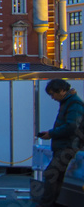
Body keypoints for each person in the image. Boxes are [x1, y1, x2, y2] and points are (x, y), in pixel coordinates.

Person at [36, 78, 84, 207]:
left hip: (68, 147)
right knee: (58, 178)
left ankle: (47, 204)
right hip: (69, 146)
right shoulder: (70, 102)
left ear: (62, 90)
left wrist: (51, 133)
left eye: (53, 93)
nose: (52, 97)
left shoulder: (74, 104)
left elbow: (71, 127)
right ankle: (53, 203)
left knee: (51, 176)